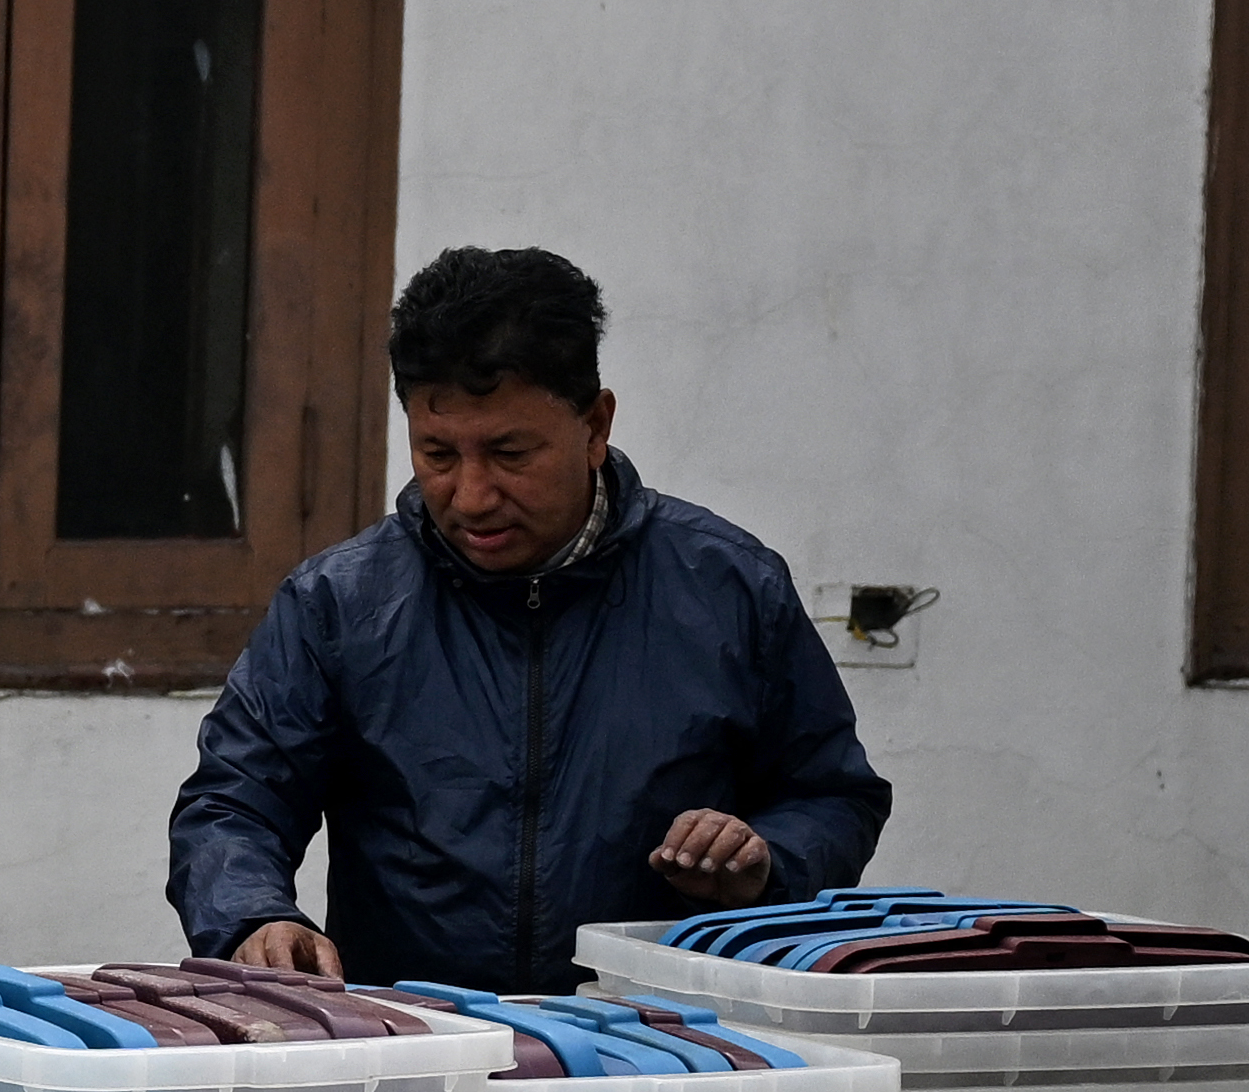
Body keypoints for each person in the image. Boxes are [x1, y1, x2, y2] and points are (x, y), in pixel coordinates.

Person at [168, 244, 893, 993]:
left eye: (511, 453)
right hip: (421, 1049)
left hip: (664, 1052)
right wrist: (254, 917)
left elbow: (832, 796)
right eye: (438, 453)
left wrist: (767, 859)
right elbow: (234, 802)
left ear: (595, 424)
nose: (473, 494)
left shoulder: (728, 588)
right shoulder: (340, 605)